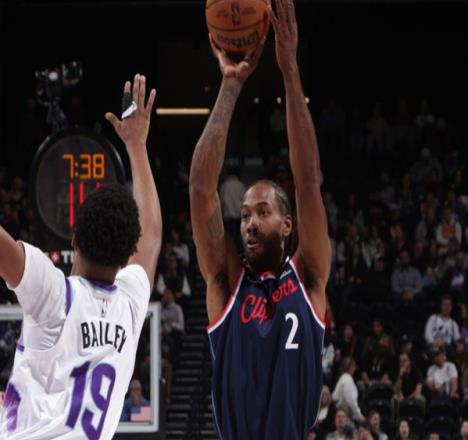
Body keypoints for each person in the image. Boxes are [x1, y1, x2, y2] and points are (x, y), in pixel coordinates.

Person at [189, 0, 331, 438]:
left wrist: (289, 70)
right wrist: (231, 85)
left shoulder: (309, 277)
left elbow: (307, 181)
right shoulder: (227, 282)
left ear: (288, 226)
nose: (249, 222)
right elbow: (200, 190)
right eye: (246, 214)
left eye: (263, 212)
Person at [0, 75, 162, 438]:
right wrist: (137, 146)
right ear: (127, 253)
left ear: (74, 239)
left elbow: (148, 237)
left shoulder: (56, 296)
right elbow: (152, 236)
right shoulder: (130, 305)